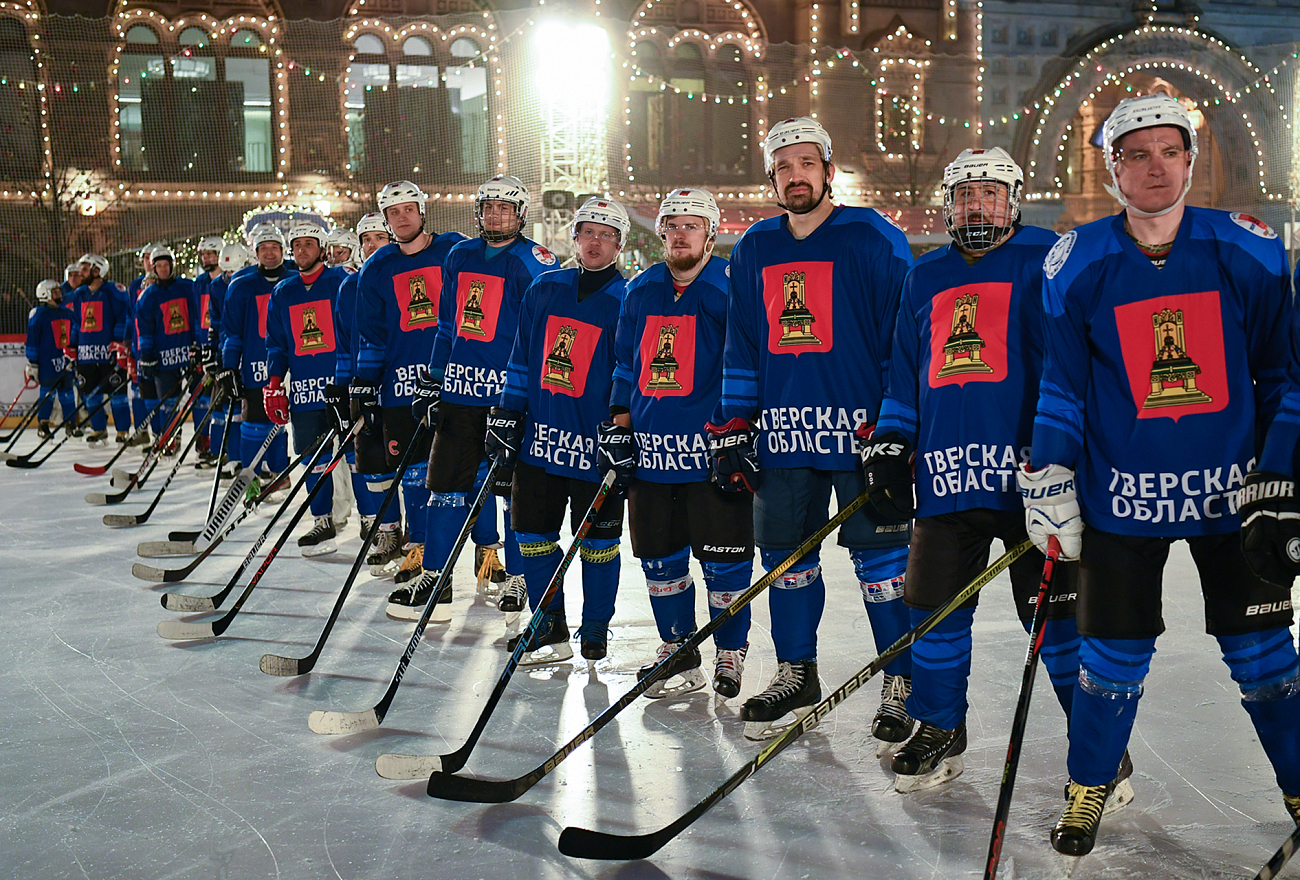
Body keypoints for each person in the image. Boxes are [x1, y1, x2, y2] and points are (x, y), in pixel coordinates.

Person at [1023, 93, 1300, 855]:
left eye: (1169, 151)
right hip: (1123, 497)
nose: (1155, 167)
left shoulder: (1247, 249)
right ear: (1111, 166)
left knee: (1266, 658)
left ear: (1191, 159)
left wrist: (1279, 479)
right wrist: (1049, 473)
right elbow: (1063, 386)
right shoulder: (1076, 261)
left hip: (1232, 497)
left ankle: (1299, 785)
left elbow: (1285, 376)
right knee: (1108, 659)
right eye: (1136, 154)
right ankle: (1092, 786)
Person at [864, 148, 1107, 796]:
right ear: (949, 205)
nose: (976, 205)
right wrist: (892, 440)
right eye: (965, 194)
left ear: (1014, 199)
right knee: (933, 614)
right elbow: (903, 376)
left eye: (989, 194)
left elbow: (1077, 364)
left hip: (1036, 480)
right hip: (946, 478)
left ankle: (1098, 752)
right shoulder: (924, 276)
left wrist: (1068, 452)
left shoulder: (1048, 257)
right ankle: (941, 729)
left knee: (1056, 624)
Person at [711, 117, 916, 742]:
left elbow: (900, 340)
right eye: (782, 166)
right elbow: (742, 346)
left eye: (806, 163)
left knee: (883, 566)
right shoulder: (754, 247)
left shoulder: (874, 238)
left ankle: (900, 680)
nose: (794, 175)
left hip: (860, 435)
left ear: (828, 169)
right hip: (782, 438)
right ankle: (797, 672)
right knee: (786, 562)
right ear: (771, 176)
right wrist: (735, 427)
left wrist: (896, 426)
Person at [605, 187, 752, 698]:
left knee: (724, 561)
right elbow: (625, 363)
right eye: (673, 224)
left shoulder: (729, 288)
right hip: (650, 454)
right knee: (660, 560)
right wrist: (620, 422)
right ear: (661, 231)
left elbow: (747, 363)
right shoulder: (641, 289)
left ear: (711, 233)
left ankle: (730, 647)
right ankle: (678, 647)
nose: (680, 233)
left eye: (692, 225)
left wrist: (741, 427)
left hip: (711, 452)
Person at [397, 175, 556, 622]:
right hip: (459, 395)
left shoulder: (534, 262)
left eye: (505, 208)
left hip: (507, 400)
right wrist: (433, 378)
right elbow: (446, 325)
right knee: (443, 486)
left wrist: (527, 398)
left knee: (512, 494)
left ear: (521, 214)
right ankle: (436, 574)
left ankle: (518, 577)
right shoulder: (460, 255)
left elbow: (539, 337)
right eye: (488, 207)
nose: (495, 215)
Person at [486, 197, 629, 664]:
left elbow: (630, 372)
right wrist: (508, 413)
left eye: (606, 235)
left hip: (596, 448)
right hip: (541, 444)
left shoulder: (627, 299)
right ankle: (548, 626)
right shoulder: (545, 289)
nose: (595, 241)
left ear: (619, 245)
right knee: (532, 538)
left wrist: (625, 429)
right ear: (574, 237)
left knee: (599, 546)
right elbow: (522, 357)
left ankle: (594, 629)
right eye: (588, 231)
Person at [352, 181, 466, 581]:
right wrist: (365, 383)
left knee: (464, 474)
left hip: (452, 382)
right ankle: (418, 549)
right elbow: (373, 334)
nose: (402, 218)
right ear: (386, 219)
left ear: (421, 211)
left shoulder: (455, 249)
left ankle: (487, 552)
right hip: (400, 386)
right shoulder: (377, 266)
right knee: (413, 472)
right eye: (393, 213)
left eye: (408, 210)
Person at [265, 223, 350, 556]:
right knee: (313, 460)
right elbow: (277, 344)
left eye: (309, 244)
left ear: (322, 248)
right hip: (303, 392)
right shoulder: (284, 292)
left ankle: (374, 522)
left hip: (341, 389)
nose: (302, 250)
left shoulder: (341, 283)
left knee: (358, 458)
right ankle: (322, 519)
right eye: (297, 245)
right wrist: (274, 385)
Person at [330, 213, 392, 543]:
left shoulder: (403, 274)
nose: (370, 245)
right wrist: (342, 388)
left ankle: (416, 538)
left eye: (378, 238)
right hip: (365, 387)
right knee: (367, 461)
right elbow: (344, 345)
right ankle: (382, 527)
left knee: (411, 467)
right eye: (365, 239)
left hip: (400, 385)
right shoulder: (348, 286)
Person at [215, 225, 294, 480]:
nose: (269, 253)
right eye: (263, 248)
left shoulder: (296, 276)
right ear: (255, 252)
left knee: (282, 424)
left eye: (274, 247)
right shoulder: (241, 285)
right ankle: (252, 478)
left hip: (299, 364)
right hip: (257, 366)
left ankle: (280, 473)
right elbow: (232, 333)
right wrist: (229, 366)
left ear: (283, 250)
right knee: (255, 422)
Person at [135, 245, 197, 453]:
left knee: (201, 400)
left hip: (190, 354)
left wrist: (200, 345)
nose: (162, 269)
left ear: (172, 265)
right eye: (158, 266)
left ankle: (204, 443)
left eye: (165, 265)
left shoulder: (189, 287)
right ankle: (170, 440)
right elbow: (146, 330)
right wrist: (147, 355)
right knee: (168, 403)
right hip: (164, 357)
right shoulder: (148, 296)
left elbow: (198, 319)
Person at [69, 253, 130, 445]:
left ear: (97, 271)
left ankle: (122, 431)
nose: (81, 273)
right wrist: (72, 345)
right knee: (90, 393)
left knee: (117, 393)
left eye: (85, 269)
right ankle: (98, 429)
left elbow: (123, 317)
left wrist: (119, 343)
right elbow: (77, 323)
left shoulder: (114, 290)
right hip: (86, 354)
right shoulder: (79, 294)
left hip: (108, 353)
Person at [190, 235, 226, 465]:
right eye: (204, 254)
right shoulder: (199, 282)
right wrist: (196, 344)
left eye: (211, 254)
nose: (207, 258)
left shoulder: (228, 281)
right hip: (205, 347)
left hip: (222, 348)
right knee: (203, 399)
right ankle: (205, 442)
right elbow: (196, 316)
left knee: (220, 400)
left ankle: (222, 447)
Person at [24, 280, 77, 438]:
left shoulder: (67, 312)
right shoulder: (38, 314)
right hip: (47, 361)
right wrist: (32, 363)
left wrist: (73, 352)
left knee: (68, 393)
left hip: (65, 360)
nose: (59, 294)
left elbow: (74, 333)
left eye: (58, 291)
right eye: (54, 292)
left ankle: (70, 424)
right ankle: (43, 424)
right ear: (45, 294)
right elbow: (33, 339)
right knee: (47, 394)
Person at [124, 244, 157, 446]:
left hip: (158, 348)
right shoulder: (135, 285)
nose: (149, 262)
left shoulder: (168, 286)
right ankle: (141, 431)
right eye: (146, 258)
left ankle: (161, 434)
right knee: (137, 390)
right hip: (138, 347)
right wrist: (127, 344)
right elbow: (130, 317)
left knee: (157, 393)